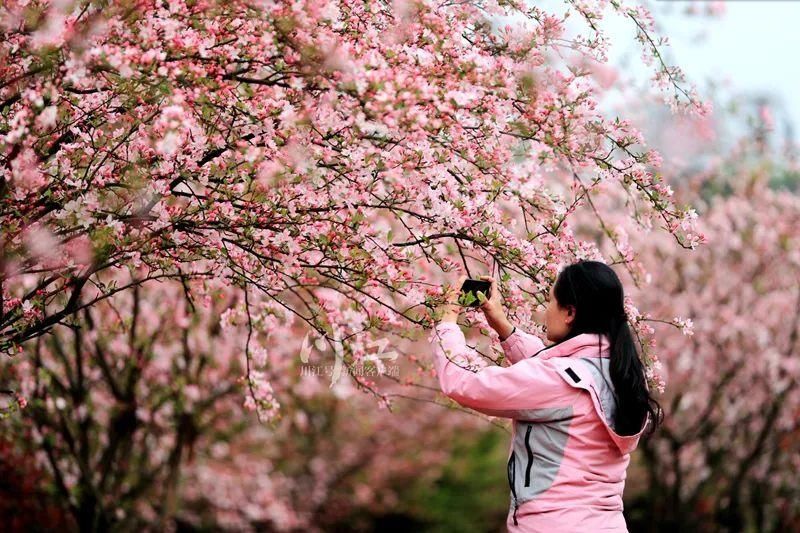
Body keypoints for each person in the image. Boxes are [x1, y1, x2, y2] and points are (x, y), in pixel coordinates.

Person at [428, 260, 663, 532]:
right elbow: (553, 377)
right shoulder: (622, 374)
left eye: (550, 301)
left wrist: (446, 324)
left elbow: (466, 383)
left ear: (570, 313)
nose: (546, 311)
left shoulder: (560, 381)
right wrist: (504, 328)